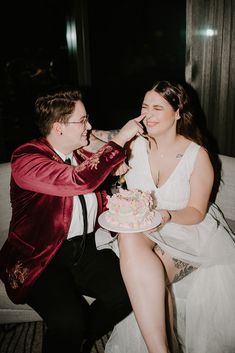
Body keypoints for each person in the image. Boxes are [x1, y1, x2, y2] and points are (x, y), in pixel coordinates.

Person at [93, 81, 235, 353]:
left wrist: (166, 215)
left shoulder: (197, 155)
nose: (148, 115)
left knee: (151, 281)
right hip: (141, 230)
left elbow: (196, 212)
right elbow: (93, 143)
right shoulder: (133, 145)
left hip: (184, 228)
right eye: (144, 107)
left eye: (157, 108)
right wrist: (118, 153)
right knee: (129, 237)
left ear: (178, 112)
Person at [0, 89, 146, 353]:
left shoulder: (79, 155)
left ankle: (77, 341)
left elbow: (95, 165)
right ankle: (72, 336)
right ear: (58, 127)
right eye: (82, 120)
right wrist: (121, 138)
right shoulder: (27, 160)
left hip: (84, 250)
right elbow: (79, 180)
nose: (88, 126)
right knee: (68, 321)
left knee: (131, 292)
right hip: (40, 258)